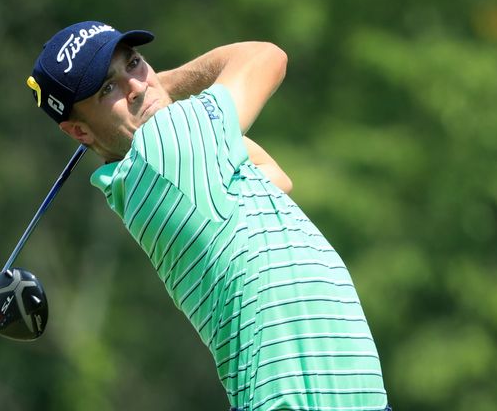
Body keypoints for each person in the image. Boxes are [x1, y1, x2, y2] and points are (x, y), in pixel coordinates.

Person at [26, 21, 390, 411]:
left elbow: (276, 180)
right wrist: (165, 83)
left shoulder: (144, 177)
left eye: (134, 63)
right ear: (79, 131)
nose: (135, 86)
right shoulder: (164, 147)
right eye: (107, 89)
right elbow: (265, 56)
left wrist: (150, 92)